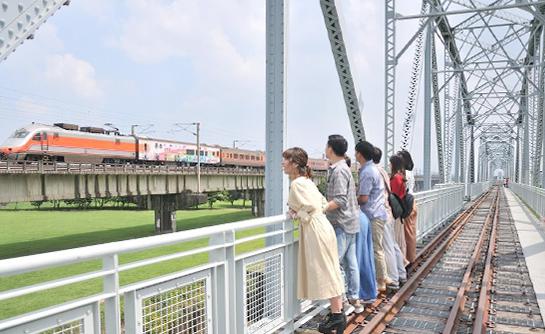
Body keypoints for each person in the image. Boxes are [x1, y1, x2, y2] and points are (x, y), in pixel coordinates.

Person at [282, 147, 346, 333]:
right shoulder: (307, 181)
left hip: (315, 230)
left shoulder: (296, 184)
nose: (283, 163)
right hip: (323, 227)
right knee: (330, 270)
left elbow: (308, 210)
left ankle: (337, 317)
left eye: (285, 160)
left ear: (294, 164)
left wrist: (295, 213)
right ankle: (337, 315)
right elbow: (323, 204)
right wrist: (301, 212)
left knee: (328, 271)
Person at [323, 135, 363, 314]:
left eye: (326, 145)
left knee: (334, 263)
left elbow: (339, 199)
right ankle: (354, 299)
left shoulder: (338, 171)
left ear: (330, 149)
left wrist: (320, 209)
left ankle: (342, 302)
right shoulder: (344, 168)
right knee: (350, 262)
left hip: (341, 222)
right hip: (351, 221)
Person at [355, 141, 393, 292]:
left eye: (356, 151)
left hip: (372, 214)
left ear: (360, 154)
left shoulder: (367, 172)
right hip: (378, 213)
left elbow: (363, 198)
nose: (355, 154)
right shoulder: (372, 169)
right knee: (377, 247)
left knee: (375, 248)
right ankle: (383, 277)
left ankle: (381, 280)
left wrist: (349, 201)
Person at [374, 148, 407, 287]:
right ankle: (401, 273)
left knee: (387, 246)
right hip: (391, 213)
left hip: (384, 213)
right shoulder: (386, 173)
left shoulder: (394, 177)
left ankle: (393, 278)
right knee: (393, 245)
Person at [397, 150, 417, 264]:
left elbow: (402, 190)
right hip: (412, 202)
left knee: (406, 233)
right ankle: (411, 258)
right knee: (410, 232)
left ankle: (408, 260)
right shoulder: (410, 173)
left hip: (407, 204)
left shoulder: (404, 174)